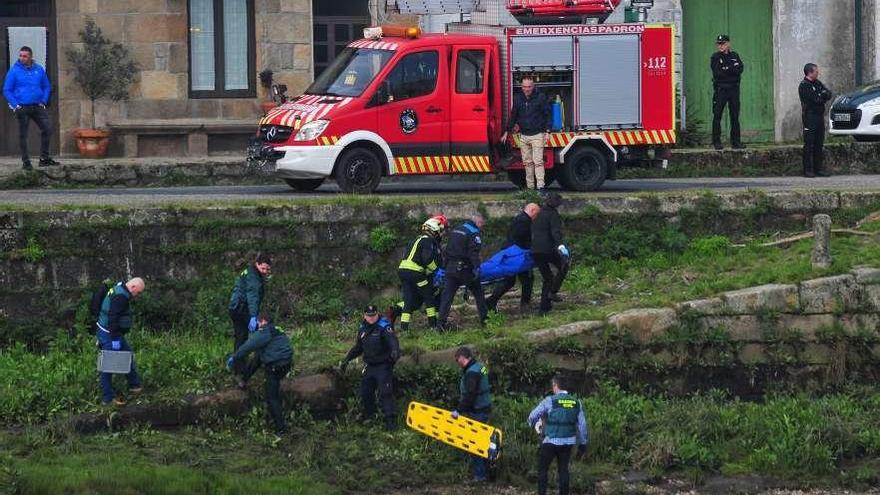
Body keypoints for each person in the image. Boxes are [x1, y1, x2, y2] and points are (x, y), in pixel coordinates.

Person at [226, 312, 293, 435]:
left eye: (257, 322)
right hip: (287, 363)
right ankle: (244, 379)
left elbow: (247, 346)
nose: (256, 325)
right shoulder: (277, 329)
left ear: (263, 321)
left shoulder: (264, 333)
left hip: (276, 366)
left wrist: (234, 357)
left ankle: (281, 429)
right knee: (258, 356)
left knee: (271, 397)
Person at [341, 305, 400, 430]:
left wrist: (395, 351)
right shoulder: (363, 329)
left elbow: (393, 341)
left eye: (373, 315)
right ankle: (370, 417)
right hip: (370, 366)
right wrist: (347, 359)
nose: (371, 318)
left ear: (377, 314)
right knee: (365, 392)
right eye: (369, 316)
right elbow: (358, 347)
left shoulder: (384, 326)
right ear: (364, 315)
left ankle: (391, 422)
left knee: (385, 393)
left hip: (383, 365)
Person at [527, 376, 589, 495]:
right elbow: (582, 425)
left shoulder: (550, 400)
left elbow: (532, 416)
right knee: (563, 470)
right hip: (568, 442)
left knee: (542, 469)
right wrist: (583, 443)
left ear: (555, 386)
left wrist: (534, 426)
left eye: (553, 386)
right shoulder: (577, 403)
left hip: (551, 440)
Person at [2, 46, 59, 170]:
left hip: (37, 106)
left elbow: (46, 86)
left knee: (48, 129)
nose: (22, 58)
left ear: (30, 57)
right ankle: (26, 161)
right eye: (20, 55)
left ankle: (44, 158)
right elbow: (7, 90)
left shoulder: (39, 69)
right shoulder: (14, 71)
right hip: (22, 107)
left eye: (25, 56)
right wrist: (15, 105)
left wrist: (44, 101)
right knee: (23, 135)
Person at [95, 277, 145, 406]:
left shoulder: (119, 287)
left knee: (127, 354)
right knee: (108, 365)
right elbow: (113, 318)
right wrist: (115, 340)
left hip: (112, 332)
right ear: (133, 287)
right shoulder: (121, 297)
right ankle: (108, 398)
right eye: (138, 293)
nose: (137, 296)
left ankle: (134, 386)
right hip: (109, 333)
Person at [486, 203, 540, 313]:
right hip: (517, 255)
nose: (536, 218)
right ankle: (524, 304)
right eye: (537, 214)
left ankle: (492, 300)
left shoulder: (520, 219)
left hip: (512, 253)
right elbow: (521, 240)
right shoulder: (524, 221)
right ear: (533, 210)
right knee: (527, 279)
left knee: (510, 280)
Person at [438, 215, 488, 330]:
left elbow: (447, 250)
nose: (481, 228)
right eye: (482, 225)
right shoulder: (474, 233)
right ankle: (485, 322)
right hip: (465, 270)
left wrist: (444, 267)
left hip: (451, 268)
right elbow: (473, 253)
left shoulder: (456, 229)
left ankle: (440, 325)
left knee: (447, 297)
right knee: (479, 294)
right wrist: (477, 268)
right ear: (478, 222)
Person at [228, 253, 272, 383]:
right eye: (263, 268)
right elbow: (252, 296)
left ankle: (239, 369)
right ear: (257, 263)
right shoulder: (253, 276)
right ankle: (244, 372)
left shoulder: (250, 271)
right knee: (263, 333)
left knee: (242, 338)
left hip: (236, 308)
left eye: (267, 269)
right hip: (242, 310)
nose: (265, 271)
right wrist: (253, 316)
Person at [502, 77, 551, 191]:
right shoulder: (518, 99)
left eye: (529, 87)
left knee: (538, 162)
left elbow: (547, 115)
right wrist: (506, 131)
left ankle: (540, 188)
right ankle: (530, 188)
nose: (526, 89)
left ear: (533, 87)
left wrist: (548, 131)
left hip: (537, 134)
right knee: (527, 163)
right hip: (524, 135)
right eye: (524, 87)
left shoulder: (540, 98)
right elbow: (513, 116)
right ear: (521, 87)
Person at [452, 346, 492, 483]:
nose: (458, 363)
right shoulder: (480, 366)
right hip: (485, 407)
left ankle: (480, 476)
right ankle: (488, 473)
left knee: (474, 443)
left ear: (463, 357)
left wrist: (458, 410)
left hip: (478, 411)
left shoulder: (471, 373)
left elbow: (470, 395)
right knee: (484, 441)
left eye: (458, 360)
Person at [397, 218, 444, 331]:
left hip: (403, 272)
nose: (440, 234)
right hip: (415, 273)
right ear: (434, 230)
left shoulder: (415, 240)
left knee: (408, 300)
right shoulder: (428, 241)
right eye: (439, 231)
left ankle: (404, 329)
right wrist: (436, 269)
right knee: (429, 297)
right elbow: (426, 259)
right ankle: (433, 326)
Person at [531, 193, 569, 314]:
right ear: (557, 204)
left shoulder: (538, 213)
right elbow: (555, 232)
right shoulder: (553, 215)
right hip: (547, 249)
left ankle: (544, 307)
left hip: (535, 250)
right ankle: (553, 292)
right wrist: (561, 246)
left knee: (547, 277)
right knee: (564, 265)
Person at [710, 34, 745, 150]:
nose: (720, 46)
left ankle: (736, 142)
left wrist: (726, 69)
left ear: (728, 44)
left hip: (734, 90)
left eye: (723, 43)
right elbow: (718, 74)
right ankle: (717, 142)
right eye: (719, 44)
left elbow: (740, 69)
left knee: (734, 116)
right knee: (717, 115)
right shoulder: (715, 57)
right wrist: (731, 70)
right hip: (721, 90)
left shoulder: (735, 55)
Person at [799, 63, 833, 178]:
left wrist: (822, 95)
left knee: (819, 143)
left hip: (819, 117)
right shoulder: (804, 85)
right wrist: (821, 95)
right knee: (809, 143)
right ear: (810, 72)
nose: (818, 73)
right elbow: (815, 100)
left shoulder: (818, 83)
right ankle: (807, 170)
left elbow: (828, 94)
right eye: (816, 71)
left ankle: (818, 169)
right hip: (809, 117)